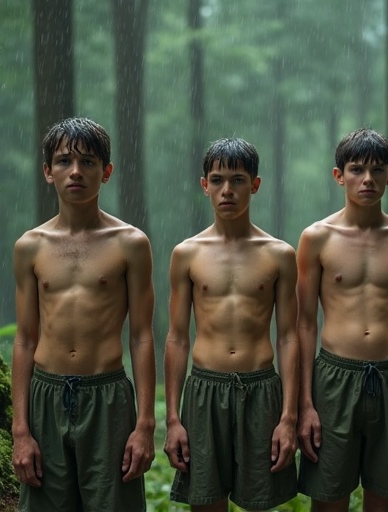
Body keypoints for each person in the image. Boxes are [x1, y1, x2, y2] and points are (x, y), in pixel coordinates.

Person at [11, 117, 156, 512]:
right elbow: (25, 339)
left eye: (88, 162)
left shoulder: (130, 244)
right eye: (63, 162)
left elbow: (142, 336)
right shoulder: (30, 246)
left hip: (107, 396)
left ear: (106, 172)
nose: (76, 172)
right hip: (45, 395)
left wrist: (145, 425)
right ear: (47, 172)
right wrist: (20, 429)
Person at [296, 128, 388, 512]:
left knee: (386, 500)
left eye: (377, 170)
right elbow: (304, 325)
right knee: (328, 498)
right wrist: (304, 403)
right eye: (357, 169)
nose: (367, 179)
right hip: (333, 380)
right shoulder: (316, 238)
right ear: (339, 175)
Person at [163, 138, 299, 511]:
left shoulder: (279, 255)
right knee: (206, 502)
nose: (227, 190)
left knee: (260, 502)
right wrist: (173, 419)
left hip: (261, 388)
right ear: (204, 184)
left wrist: (289, 417)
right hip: (205, 389)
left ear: (255, 185)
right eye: (218, 179)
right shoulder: (187, 254)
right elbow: (176, 338)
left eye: (238, 180)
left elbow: (289, 337)